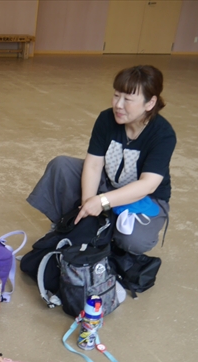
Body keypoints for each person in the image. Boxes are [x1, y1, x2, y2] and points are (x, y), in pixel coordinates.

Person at [27, 65, 176, 254]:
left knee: (134, 242)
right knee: (61, 166)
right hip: (109, 183)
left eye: (128, 99)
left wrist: (102, 201)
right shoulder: (107, 119)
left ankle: (106, 230)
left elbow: (148, 185)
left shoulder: (162, 134)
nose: (118, 105)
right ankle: (75, 226)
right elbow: (94, 165)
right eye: (116, 95)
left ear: (150, 103)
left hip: (145, 198)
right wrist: (88, 204)